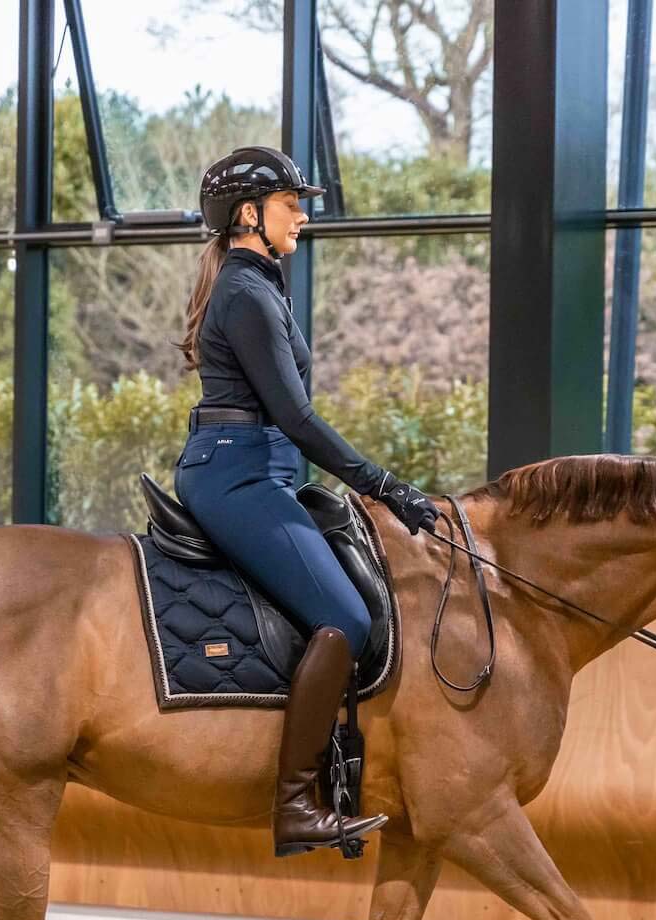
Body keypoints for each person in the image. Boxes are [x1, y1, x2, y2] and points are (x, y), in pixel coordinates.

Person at [173, 145, 440, 859]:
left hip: (262, 471)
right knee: (344, 616)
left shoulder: (260, 285)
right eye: (293, 206)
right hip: (239, 474)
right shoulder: (247, 292)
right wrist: (386, 485)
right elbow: (295, 417)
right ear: (249, 215)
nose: (303, 218)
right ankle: (294, 804)